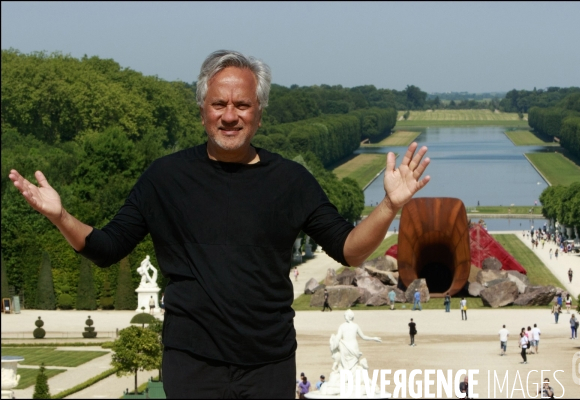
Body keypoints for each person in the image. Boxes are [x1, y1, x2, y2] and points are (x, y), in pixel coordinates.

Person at [8, 50, 430, 398]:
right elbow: (106, 248)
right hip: (192, 364)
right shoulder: (164, 178)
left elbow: (350, 249)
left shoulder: (291, 181)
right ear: (202, 110)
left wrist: (389, 205)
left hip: (268, 364)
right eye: (219, 104)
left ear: (259, 113)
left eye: (242, 105)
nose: (230, 115)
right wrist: (60, 217)